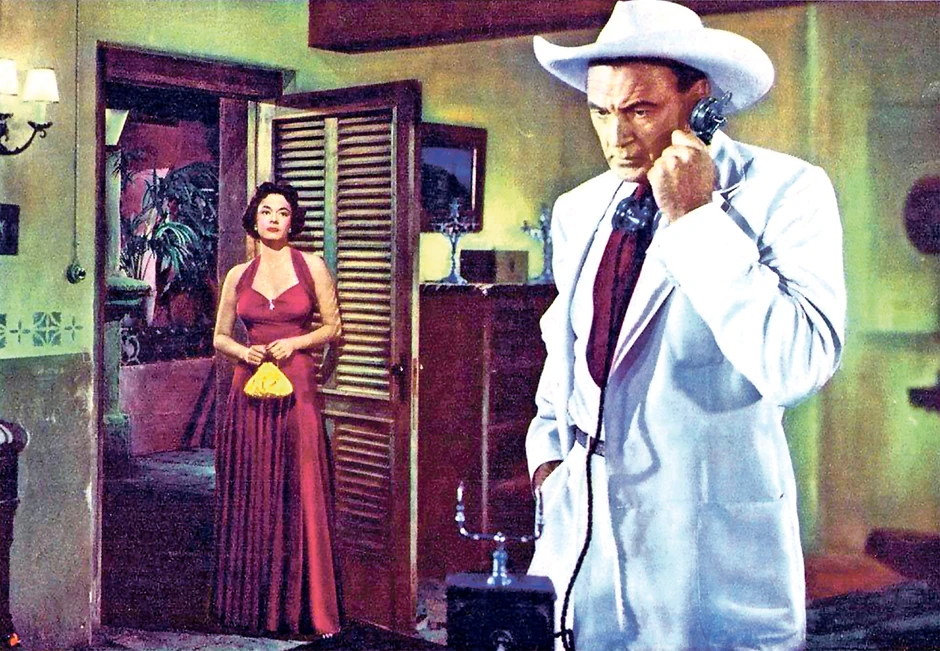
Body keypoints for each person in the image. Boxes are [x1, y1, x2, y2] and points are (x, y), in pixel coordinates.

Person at [525, 1, 846, 649]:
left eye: (639, 110)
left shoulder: (788, 190)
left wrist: (696, 218)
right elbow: (568, 351)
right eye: (600, 111)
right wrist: (549, 460)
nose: (616, 138)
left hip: (706, 541)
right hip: (585, 530)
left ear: (699, 101)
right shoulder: (579, 208)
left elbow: (799, 363)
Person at [212, 181, 343, 638]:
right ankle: (252, 609)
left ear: (292, 221)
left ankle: (307, 610)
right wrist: (242, 351)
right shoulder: (237, 275)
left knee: (301, 487)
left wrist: (296, 342)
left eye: (283, 212)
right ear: (254, 218)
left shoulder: (312, 266)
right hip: (248, 389)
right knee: (254, 490)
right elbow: (220, 337)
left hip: (298, 386)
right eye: (266, 211)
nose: (273, 219)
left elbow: (334, 328)